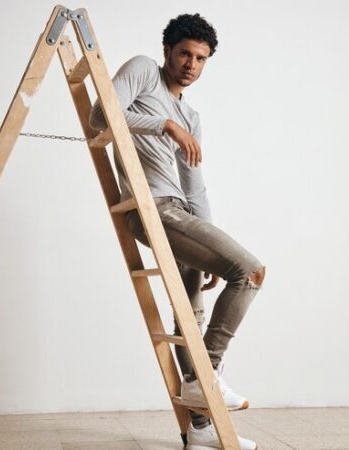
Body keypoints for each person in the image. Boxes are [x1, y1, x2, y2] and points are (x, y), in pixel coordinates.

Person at [89, 13, 265, 450]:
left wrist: (208, 243)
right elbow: (100, 116)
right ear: (167, 50)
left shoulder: (192, 115)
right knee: (252, 271)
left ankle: (202, 429)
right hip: (155, 210)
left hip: (183, 215)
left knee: (193, 316)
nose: (191, 63)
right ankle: (207, 376)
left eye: (201, 58)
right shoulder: (144, 70)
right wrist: (162, 124)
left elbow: (195, 186)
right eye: (184, 53)